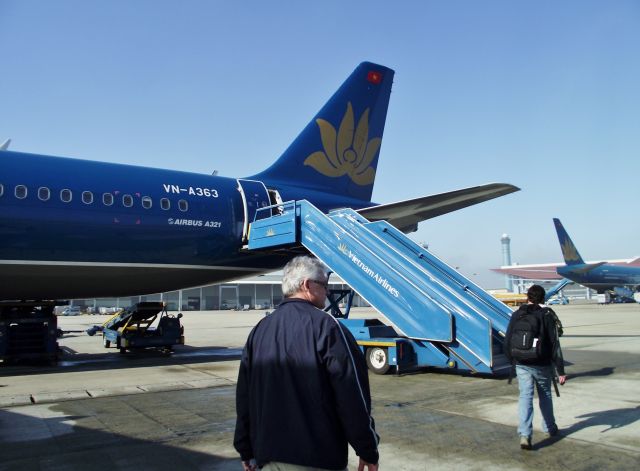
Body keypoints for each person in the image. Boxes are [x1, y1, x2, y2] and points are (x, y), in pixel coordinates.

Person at [234, 255, 380, 471]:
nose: (328, 291)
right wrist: (367, 449)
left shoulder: (259, 330)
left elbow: (244, 398)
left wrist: (245, 448)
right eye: (324, 285)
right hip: (316, 458)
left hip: (268, 457)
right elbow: (352, 396)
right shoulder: (328, 327)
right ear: (307, 285)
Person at [504, 284, 567, 450]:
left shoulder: (518, 314)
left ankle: (525, 434)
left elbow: (508, 338)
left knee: (525, 396)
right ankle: (550, 428)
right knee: (545, 395)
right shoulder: (546, 314)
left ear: (528, 297)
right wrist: (560, 370)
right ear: (543, 298)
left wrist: (513, 359)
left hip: (521, 363)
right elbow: (554, 344)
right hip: (541, 363)